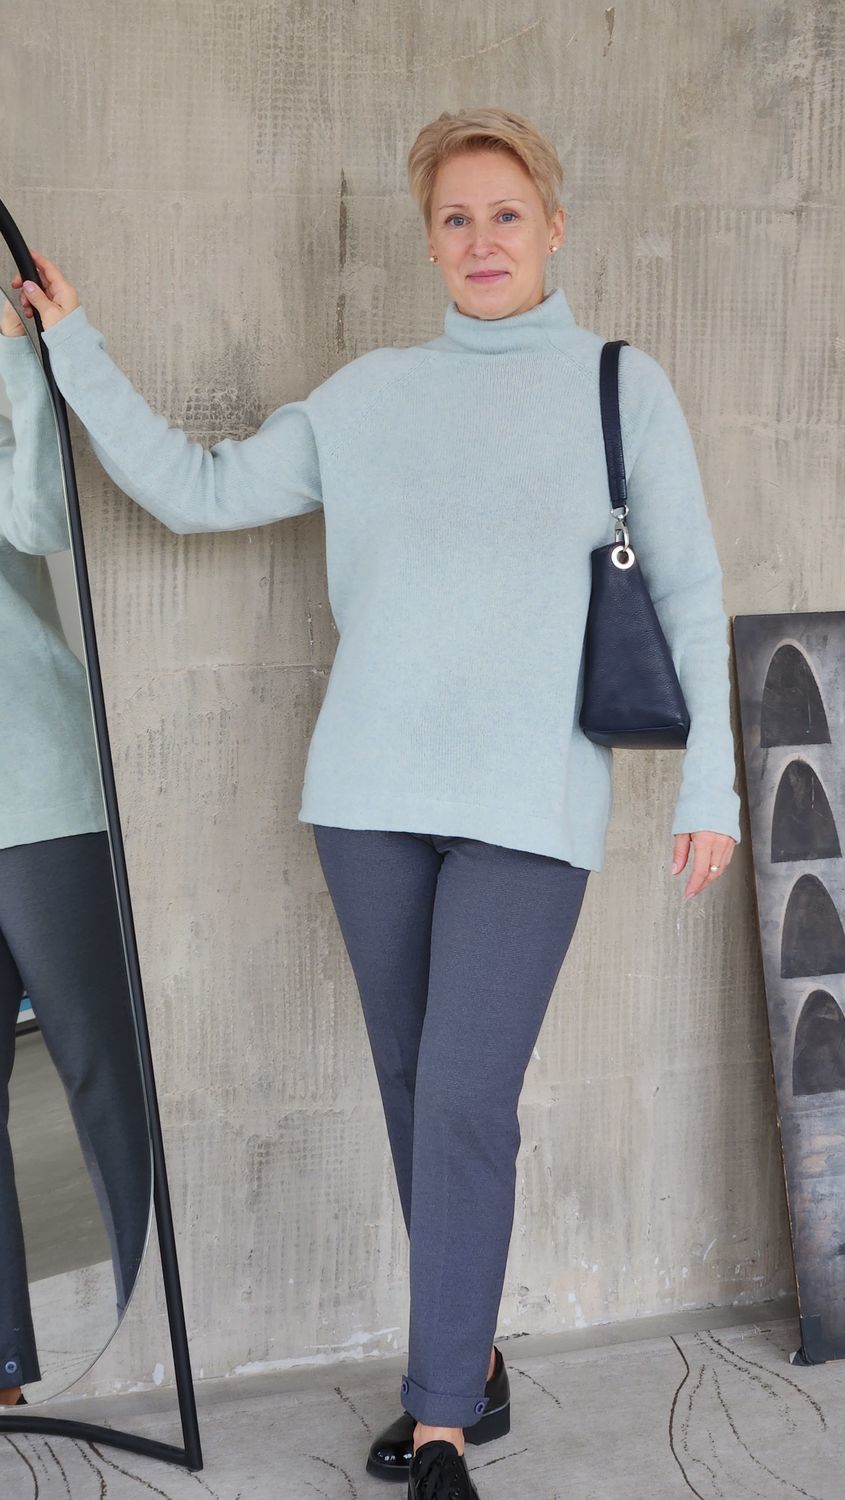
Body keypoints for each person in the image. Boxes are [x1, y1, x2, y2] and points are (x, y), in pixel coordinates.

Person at [14, 105, 740, 1499]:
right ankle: (468, 1366)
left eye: (505, 213)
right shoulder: (367, 396)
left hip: (529, 805)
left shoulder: (618, 385)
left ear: (553, 227)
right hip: (366, 800)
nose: (481, 239)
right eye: (455, 218)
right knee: (416, 1094)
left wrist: (708, 780)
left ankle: (441, 1426)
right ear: (428, 242)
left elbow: (693, 592)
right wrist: (74, 344)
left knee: (464, 1097)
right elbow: (196, 492)